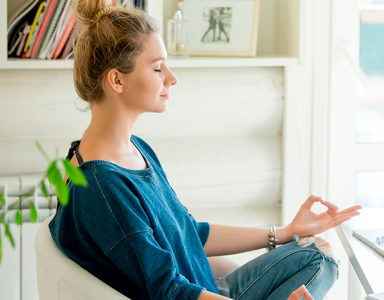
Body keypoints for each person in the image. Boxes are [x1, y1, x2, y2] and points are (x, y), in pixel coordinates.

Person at [49, 1, 362, 300]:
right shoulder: (104, 186)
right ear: (117, 80)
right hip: (196, 295)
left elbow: (190, 234)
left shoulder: (131, 150)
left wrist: (286, 231)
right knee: (322, 261)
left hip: (211, 286)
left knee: (314, 253)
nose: (171, 78)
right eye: (158, 69)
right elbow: (168, 291)